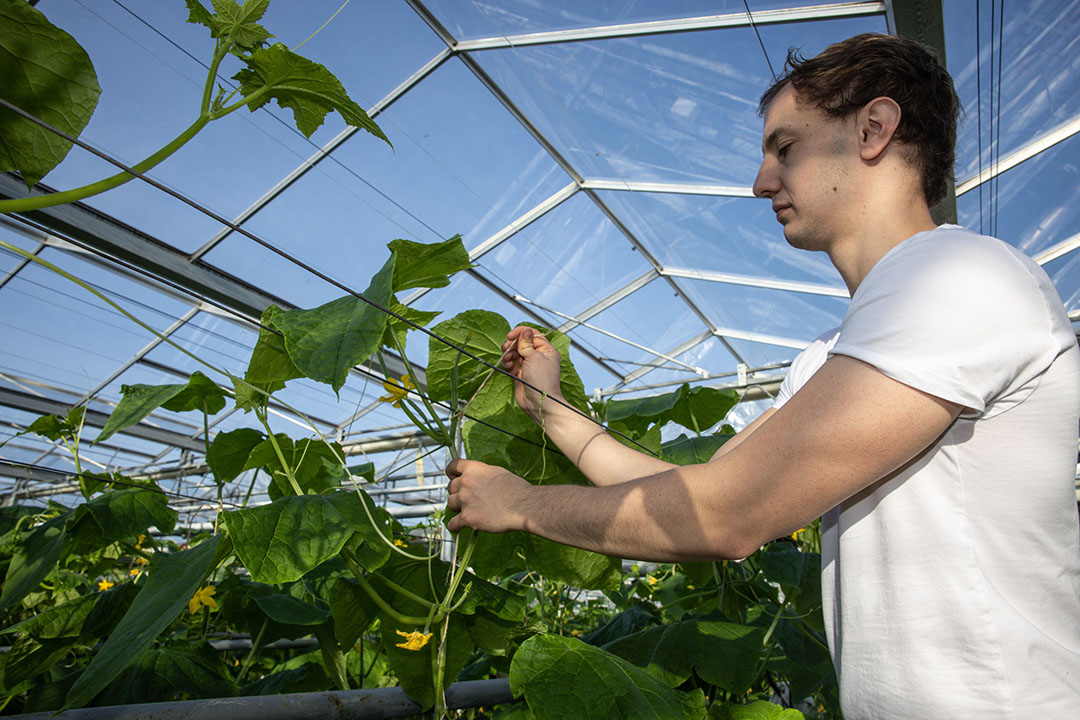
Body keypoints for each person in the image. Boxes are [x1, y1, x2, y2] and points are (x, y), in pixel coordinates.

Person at [445, 33, 1080, 718]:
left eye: (785, 149)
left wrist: (523, 506)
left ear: (873, 130)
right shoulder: (828, 356)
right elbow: (686, 493)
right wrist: (549, 407)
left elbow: (728, 516)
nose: (761, 181)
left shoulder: (961, 278)